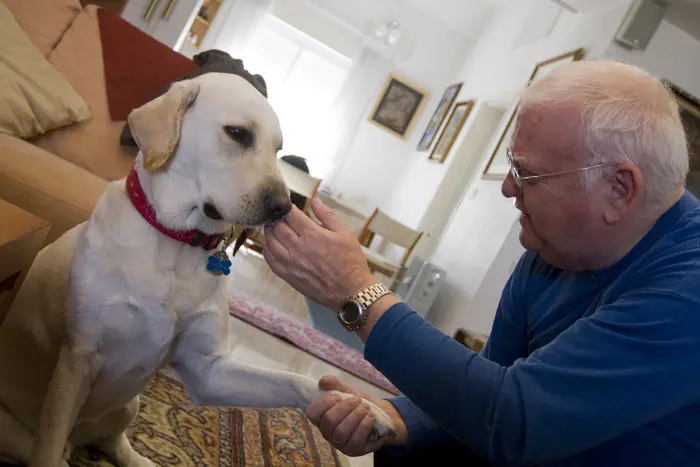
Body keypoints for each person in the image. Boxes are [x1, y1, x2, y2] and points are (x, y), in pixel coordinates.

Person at [262, 60, 700, 466]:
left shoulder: (687, 290)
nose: (509, 188)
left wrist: (358, 293)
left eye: (527, 173)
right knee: (405, 451)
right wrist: (395, 418)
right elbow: (490, 380)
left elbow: (514, 421)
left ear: (619, 189)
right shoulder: (550, 251)